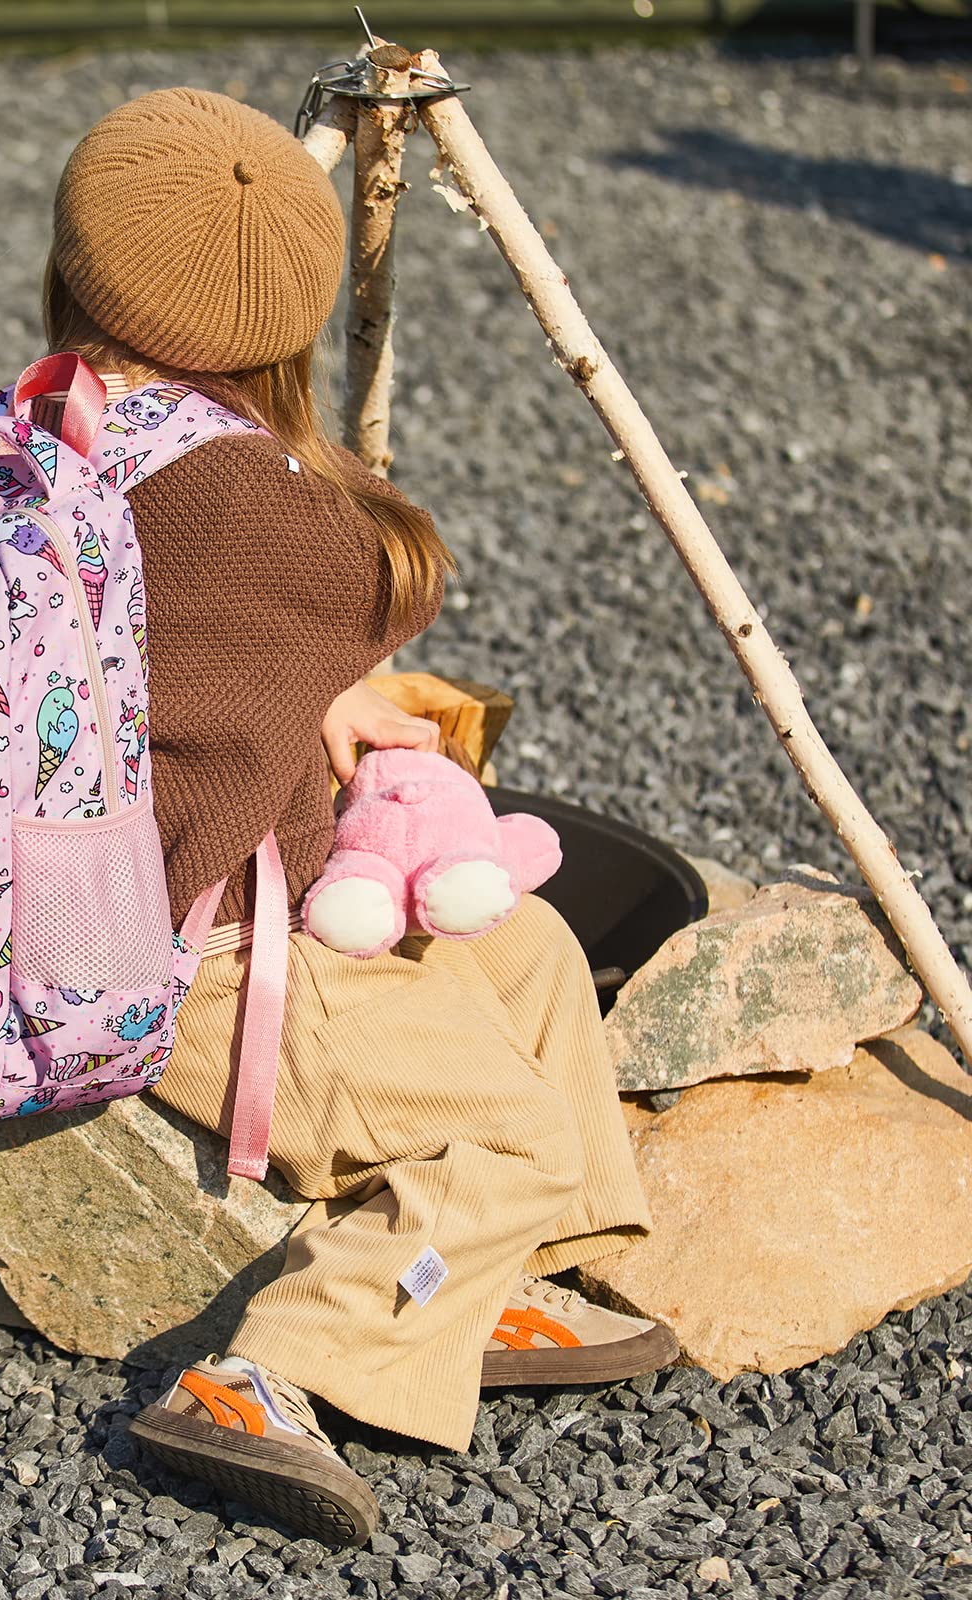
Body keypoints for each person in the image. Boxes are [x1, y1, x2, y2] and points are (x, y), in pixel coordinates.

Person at [36, 86, 675, 1546]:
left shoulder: (50, 421)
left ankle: (503, 1274)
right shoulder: (265, 507)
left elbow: (186, 651)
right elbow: (390, 580)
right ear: (289, 305)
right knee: (508, 1129)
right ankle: (272, 1371)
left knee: (537, 960)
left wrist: (306, 694)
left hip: (77, 881)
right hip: (188, 951)